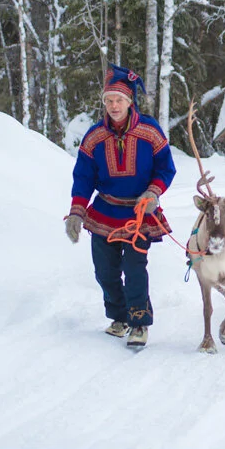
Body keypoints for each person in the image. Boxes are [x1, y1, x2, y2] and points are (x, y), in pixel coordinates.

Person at [64, 64, 176, 348]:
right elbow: (83, 177)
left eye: (119, 100)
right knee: (105, 270)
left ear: (130, 102)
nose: (114, 106)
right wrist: (77, 212)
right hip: (105, 210)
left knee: (135, 267)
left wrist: (153, 193)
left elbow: (166, 168)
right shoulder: (94, 136)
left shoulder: (150, 130)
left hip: (140, 212)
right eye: (109, 100)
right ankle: (119, 317)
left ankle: (139, 322)